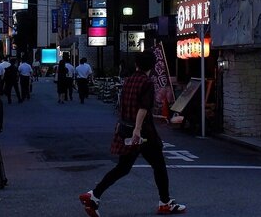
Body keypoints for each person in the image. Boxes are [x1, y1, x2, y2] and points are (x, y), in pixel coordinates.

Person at [79, 51, 186, 216]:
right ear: (151, 66)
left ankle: (94, 195)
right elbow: (143, 108)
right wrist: (137, 129)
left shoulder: (129, 81)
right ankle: (165, 202)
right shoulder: (147, 83)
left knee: (123, 167)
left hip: (125, 129)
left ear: (136, 64)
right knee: (158, 166)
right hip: (144, 133)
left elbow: (124, 106)